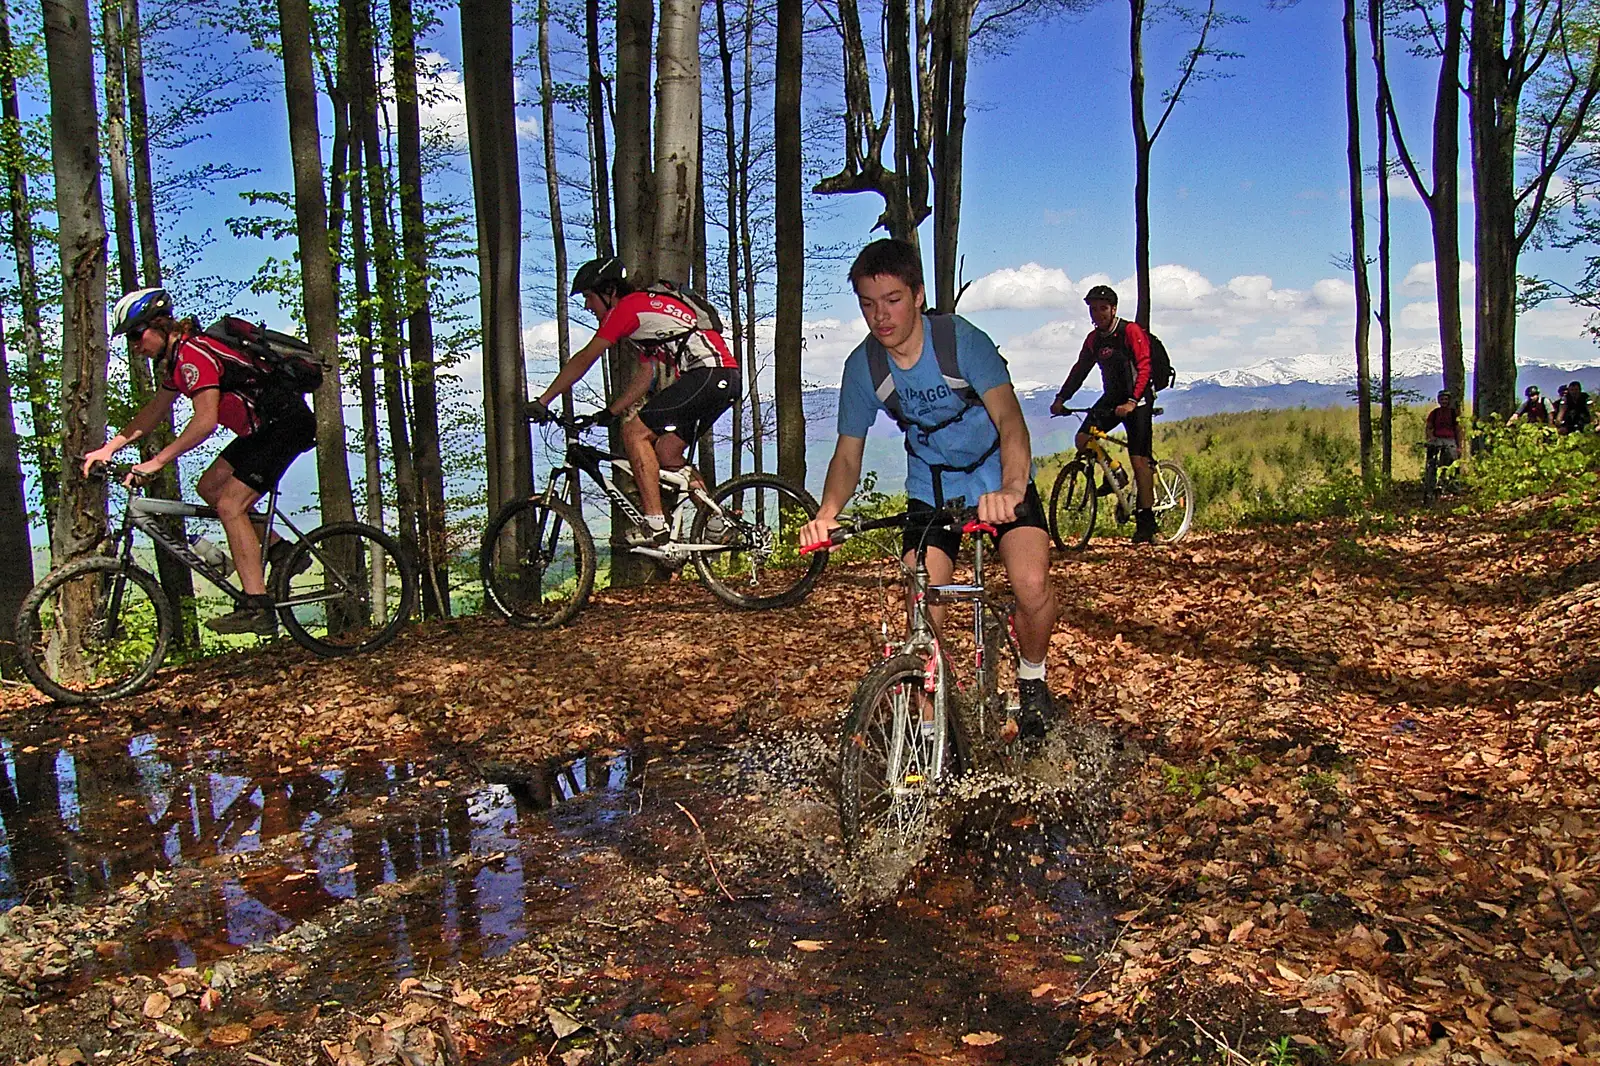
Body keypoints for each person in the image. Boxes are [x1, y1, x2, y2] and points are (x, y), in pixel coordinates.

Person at [798, 238, 1060, 740]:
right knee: (921, 594)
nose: (881, 316)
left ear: (918, 295)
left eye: (892, 300)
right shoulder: (865, 367)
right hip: (932, 483)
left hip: (996, 472)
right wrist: (829, 511)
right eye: (868, 305)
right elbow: (848, 452)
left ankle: (1032, 678)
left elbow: (1010, 422)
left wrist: (1010, 488)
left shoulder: (961, 342)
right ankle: (929, 715)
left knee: (1030, 584)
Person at [82, 288, 318, 635]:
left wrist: (157, 461)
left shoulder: (193, 355)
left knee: (230, 505)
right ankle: (281, 551)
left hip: (285, 426)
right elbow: (153, 412)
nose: (134, 345)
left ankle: (258, 606)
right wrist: (110, 448)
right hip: (265, 430)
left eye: (136, 335)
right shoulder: (178, 360)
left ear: (159, 325)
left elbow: (205, 421)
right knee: (208, 486)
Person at [531, 258, 740, 546]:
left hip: (709, 374)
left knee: (634, 432)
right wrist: (609, 413)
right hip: (721, 380)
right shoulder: (645, 315)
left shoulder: (628, 308)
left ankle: (654, 523)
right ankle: (717, 522)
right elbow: (647, 374)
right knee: (667, 453)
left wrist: (543, 400)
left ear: (609, 291)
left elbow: (584, 359)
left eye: (590, 298)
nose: (588, 306)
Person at [1049, 285, 1159, 544]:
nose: (1097, 314)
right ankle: (1115, 473)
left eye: (1102, 308)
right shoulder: (1094, 340)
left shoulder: (1129, 331)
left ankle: (1147, 521)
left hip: (1138, 400)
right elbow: (1080, 370)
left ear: (1113, 309)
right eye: (1093, 309)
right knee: (1082, 438)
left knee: (1140, 460)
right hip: (1112, 398)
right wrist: (1061, 398)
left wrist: (1133, 401)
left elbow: (1144, 366)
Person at [1424, 389, 1463, 465]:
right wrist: (1431, 438)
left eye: (1446, 399)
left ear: (1449, 400)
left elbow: (1458, 430)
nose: (1444, 401)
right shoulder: (1434, 413)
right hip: (1437, 440)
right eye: (1442, 399)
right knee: (1432, 461)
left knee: (1452, 461)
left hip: (1450, 440)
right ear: (1438, 401)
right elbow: (1428, 427)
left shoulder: (1453, 413)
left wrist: (1459, 446)